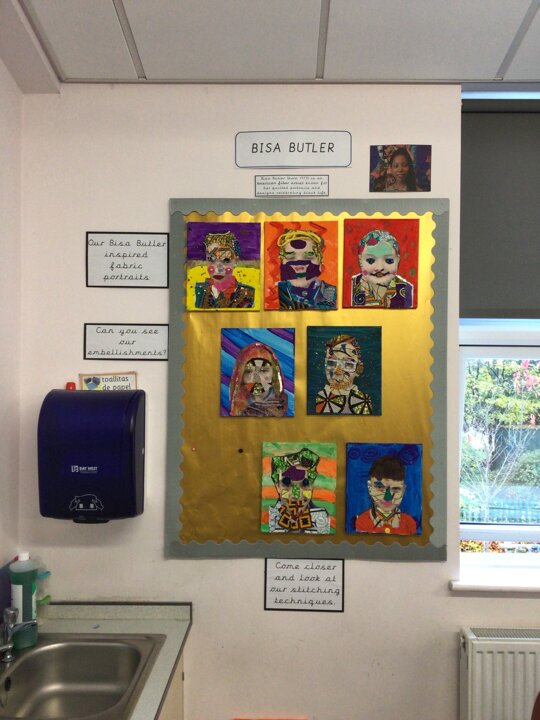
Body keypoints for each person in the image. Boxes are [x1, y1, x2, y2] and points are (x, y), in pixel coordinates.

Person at [268, 447, 330, 533]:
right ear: (277, 486)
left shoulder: (321, 519)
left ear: (312, 487)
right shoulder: (270, 520)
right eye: (286, 483)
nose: (296, 496)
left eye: (305, 483)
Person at [353, 455, 418, 535]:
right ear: (369, 488)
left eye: (396, 489)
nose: (388, 497)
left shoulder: (409, 523)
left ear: (403, 490)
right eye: (380, 487)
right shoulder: (361, 522)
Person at [351, 229, 413, 308]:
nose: (379, 268)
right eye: (370, 260)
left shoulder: (406, 290)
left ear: (397, 260)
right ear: (360, 260)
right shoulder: (351, 287)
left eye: (389, 260)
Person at [276, 228, 336, 310]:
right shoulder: (274, 295)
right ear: (282, 261)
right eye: (290, 256)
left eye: (309, 255)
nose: (299, 266)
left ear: (320, 260)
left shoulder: (332, 293)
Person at [194, 230, 255, 308]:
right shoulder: (199, 291)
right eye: (211, 259)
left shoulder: (248, 293)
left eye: (226, 260)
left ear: (236, 261)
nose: (218, 268)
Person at [315, 334, 373, 415]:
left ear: (358, 369)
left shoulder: (363, 402)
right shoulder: (319, 398)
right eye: (331, 362)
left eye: (348, 364)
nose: (338, 371)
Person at [229, 342, 288, 417]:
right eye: (249, 371)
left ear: (274, 374)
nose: (256, 378)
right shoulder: (239, 407)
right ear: (241, 376)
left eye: (263, 370)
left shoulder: (282, 405)